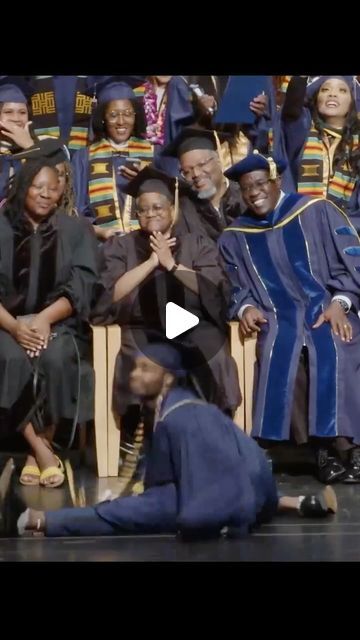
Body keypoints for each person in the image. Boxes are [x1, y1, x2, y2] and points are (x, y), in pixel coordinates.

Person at [14, 344, 338, 538]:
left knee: (120, 514)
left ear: (168, 377)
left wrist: (214, 521)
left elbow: (218, 473)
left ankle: (36, 520)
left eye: (145, 369)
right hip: (239, 486)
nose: (134, 375)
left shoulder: (186, 416)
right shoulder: (166, 409)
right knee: (127, 505)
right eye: (134, 368)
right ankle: (296, 503)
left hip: (223, 495)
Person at [218, 152, 360, 484]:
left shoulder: (316, 211)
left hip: (326, 308)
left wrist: (341, 303)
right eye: (246, 188)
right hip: (277, 318)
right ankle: (322, 451)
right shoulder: (236, 235)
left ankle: (351, 449)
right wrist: (245, 308)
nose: (253, 193)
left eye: (259, 184)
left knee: (337, 345)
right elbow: (232, 285)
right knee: (285, 354)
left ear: (276, 181)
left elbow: (351, 263)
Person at [91, 165, 240, 420]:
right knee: (139, 358)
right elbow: (109, 295)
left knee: (213, 354)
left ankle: (216, 424)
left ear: (173, 209)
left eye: (158, 207)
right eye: (144, 209)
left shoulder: (197, 243)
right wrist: (151, 262)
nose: (151, 214)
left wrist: (171, 264)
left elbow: (213, 291)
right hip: (140, 328)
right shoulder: (122, 246)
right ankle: (136, 430)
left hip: (191, 325)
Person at [0, 151, 99, 487]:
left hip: (56, 323)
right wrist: (14, 327)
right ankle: (40, 451)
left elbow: (83, 283)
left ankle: (37, 448)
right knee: (10, 358)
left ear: (62, 192)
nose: (45, 194)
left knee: (57, 358)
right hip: (4, 323)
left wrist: (43, 319)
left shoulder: (75, 230)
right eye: (37, 187)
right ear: (23, 188)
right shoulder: (0, 227)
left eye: (52, 188)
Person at [72, 77, 154, 241]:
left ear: (135, 116)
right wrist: (98, 231)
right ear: (103, 118)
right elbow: (75, 209)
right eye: (113, 115)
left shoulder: (153, 153)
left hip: (146, 244)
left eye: (128, 114)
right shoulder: (84, 157)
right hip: (102, 247)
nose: (121, 121)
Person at [279, 76, 360, 220]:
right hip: (302, 224)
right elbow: (292, 108)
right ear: (316, 100)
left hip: (347, 231)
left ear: (351, 103)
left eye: (342, 90)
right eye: (325, 89)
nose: (332, 94)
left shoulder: (356, 145)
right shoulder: (302, 132)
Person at [161, 127, 243, 242]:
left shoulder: (243, 195)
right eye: (187, 172)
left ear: (219, 159)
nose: (196, 174)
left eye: (201, 164)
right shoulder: (184, 210)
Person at [0, 76, 37, 202]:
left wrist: (29, 147)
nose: (16, 119)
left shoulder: (41, 149)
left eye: (22, 112)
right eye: (8, 112)